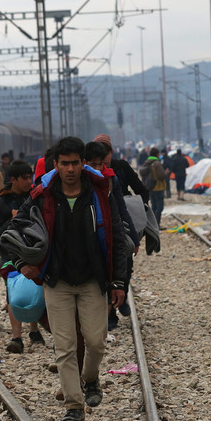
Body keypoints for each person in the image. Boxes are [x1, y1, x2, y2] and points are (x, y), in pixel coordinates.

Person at [8, 136, 127, 421]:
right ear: (56, 166)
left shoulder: (99, 195)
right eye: (65, 163)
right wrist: (23, 264)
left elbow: (117, 238)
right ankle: (74, 406)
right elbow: (13, 230)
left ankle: (90, 378)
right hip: (57, 281)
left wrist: (119, 282)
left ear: (83, 163)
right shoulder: (43, 195)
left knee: (96, 342)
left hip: (92, 280)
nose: (71, 168)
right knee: (65, 346)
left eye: (76, 162)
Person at [0, 160, 44, 353]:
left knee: (36, 289)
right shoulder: (0, 202)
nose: (29, 181)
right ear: (13, 179)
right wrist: (11, 221)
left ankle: (34, 329)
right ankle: (16, 337)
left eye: (30, 177)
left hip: (34, 250)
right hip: (10, 254)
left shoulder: (34, 197)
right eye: (24, 178)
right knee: (12, 294)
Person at [85, 141, 137, 331]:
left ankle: (110, 316)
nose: (98, 169)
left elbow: (120, 211)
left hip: (105, 240)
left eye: (101, 164)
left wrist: (133, 237)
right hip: (85, 247)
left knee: (112, 274)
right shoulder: (76, 184)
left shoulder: (110, 180)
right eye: (93, 164)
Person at [93, 134, 149, 204]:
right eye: (100, 155)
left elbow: (140, 189)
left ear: (111, 152)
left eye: (107, 154)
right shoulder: (89, 171)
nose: (104, 158)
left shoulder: (122, 167)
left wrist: (142, 204)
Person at [142, 148, 167, 227]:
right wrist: (165, 173)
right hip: (158, 187)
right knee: (159, 207)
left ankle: (153, 224)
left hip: (150, 187)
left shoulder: (146, 163)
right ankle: (157, 224)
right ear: (157, 154)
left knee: (154, 206)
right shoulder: (157, 163)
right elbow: (161, 176)